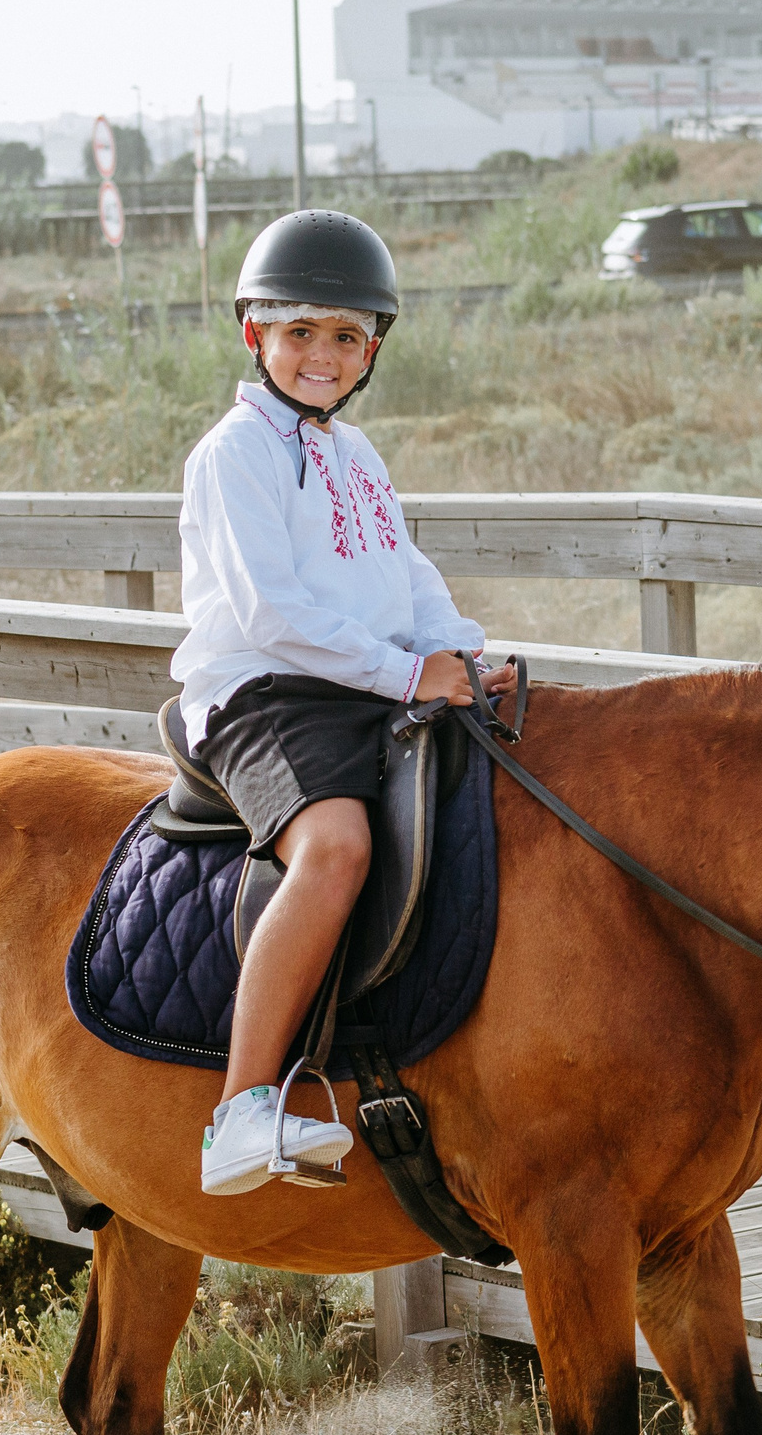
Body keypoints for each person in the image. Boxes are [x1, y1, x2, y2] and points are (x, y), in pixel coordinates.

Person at [171, 210, 514, 1195]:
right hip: (266, 696)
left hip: (357, 682)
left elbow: (404, 577)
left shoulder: (354, 455)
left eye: (345, 337)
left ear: (371, 350)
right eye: (300, 333)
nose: (321, 355)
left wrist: (457, 652)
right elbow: (270, 613)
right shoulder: (233, 454)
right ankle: (240, 1111)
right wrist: (410, 677)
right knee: (337, 846)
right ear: (256, 337)